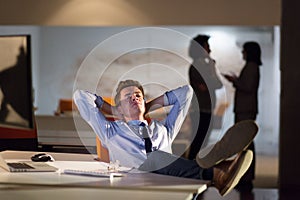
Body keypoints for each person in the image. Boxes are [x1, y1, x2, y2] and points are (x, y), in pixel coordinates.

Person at [73, 79, 257, 196]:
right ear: (119, 108)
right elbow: (80, 96)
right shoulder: (110, 130)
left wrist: (149, 106)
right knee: (155, 157)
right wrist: (111, 110)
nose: (134, 98)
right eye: (127, 97)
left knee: (158, 157)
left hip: (171, 183)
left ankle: (217, 169)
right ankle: (215, 171)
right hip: (133, 185)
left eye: (138, 95)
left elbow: (187, 93)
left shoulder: (163, 129)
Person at [223, 41, 262, 190]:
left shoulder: (251, 67)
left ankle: (246, 177)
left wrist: (235, 81)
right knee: (245, 143)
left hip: (246, 109)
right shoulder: (252, 67)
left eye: (244, 51)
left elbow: (247, 87)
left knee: (245, 143)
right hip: (246, 108)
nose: (242, 53)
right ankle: (245, 176)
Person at [187, 34, 223, 160]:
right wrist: (212, 68)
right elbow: (211, 85)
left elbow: (217, 84)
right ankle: (192, 170)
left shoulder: (204, 65)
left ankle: (193, 168)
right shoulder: (199, 66)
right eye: (207, 46)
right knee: (199, 142)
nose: (210, 49)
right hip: (201, 109)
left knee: (200, 141)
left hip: (205, 108)